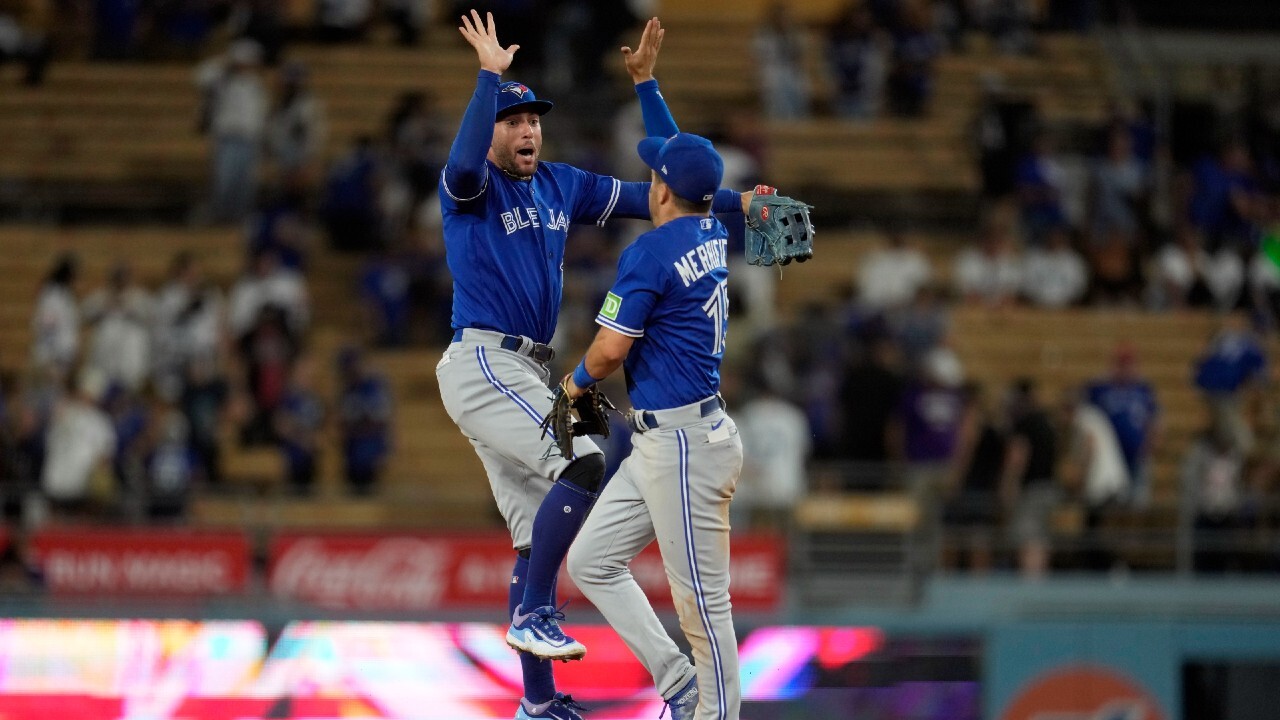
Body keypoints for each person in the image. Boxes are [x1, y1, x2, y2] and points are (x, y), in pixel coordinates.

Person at [433, 14, 751, 720]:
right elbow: (458, 166)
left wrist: (741, 206)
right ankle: (542, 615)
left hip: (527, 369)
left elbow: (661, 198)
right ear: (488, 128)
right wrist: (487, 76)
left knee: (535, 536)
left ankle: (537, 703)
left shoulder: (560, 183)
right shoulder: (470, 187)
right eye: (510, 120)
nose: (525, 130)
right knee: (584, 460)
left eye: (532, 120)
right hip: (484, 361)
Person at [565, 128, 746, 718]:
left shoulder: (649, 252)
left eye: (656, 174)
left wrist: (573, 385)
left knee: (704, 607)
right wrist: (646, 82)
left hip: (685, 446)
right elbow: (689, 161)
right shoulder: (712, 226)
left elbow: (609, 351)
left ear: (664, 190)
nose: (649, 180)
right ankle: (679, 682)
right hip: (663, 439)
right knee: (591, 560)